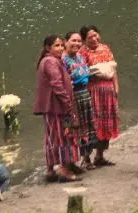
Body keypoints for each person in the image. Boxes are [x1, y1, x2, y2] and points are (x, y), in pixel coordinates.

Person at [33, 34, 81, 182]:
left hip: (54, 107)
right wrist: (68, 105)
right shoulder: (50, 62)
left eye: (61, 45)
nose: (60, 48)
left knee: (52, 137)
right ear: (48, 48)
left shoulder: (51, 60)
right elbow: (57, 85)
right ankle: (62, 169)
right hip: (57, 107)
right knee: (62, 137)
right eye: (56, 45)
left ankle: (51, 170)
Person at [80, 26, 119, 166]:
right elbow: (82, 74)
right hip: (93, 91)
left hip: (107, 91)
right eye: (90, 37)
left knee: (106, 121)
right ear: (84, 39)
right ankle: (86, 158)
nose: (94, 39)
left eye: (96, 35)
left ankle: (100, 156)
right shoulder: (82, 53)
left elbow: (113, 70)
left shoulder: (105, 48)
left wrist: (116, 88)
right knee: (92, 124)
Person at [62, 31, 97, 170]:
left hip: (84, 95)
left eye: (78, 41)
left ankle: (87, 159)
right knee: (75, 128)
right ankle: (71, 163)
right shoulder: (63, 60)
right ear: (66, 42)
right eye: (73, 40)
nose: (76, 43)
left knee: (87, 127)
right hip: (73, 96)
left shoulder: (81, 57)